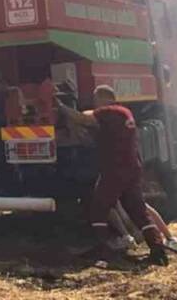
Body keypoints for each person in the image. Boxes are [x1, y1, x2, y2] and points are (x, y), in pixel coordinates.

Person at [58, 85, 169, 266]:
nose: (94, 103)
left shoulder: (108, 112)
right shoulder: (124, 112)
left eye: (95, 99)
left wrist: (61, 107)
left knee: (98, 208)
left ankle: (105, 249)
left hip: (115, 169)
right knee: (138, 210)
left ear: (101, 98)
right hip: (132, 167)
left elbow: (82, 119)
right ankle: (158, 249)